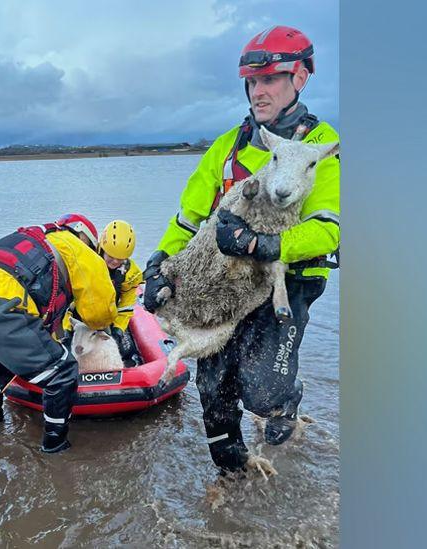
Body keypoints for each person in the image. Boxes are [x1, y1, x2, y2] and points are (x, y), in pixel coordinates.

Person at [142, 25, 340, 472]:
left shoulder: (321, 147)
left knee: (262, 391)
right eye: (252, 82)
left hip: (287, 283)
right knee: (212, 387)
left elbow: (329, 229)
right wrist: (160, 265)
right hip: (223, 285)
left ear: (300, 79)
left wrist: (262, 244)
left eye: (270, 79)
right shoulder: (227, 147)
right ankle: (230, 474)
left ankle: (285, 401)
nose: (258, 91)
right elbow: (188, 221)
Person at [0, 213, 116, 453]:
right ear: (86, 239)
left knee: (0, 363)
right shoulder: (81, 251)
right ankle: (55, 448)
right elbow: (100, 315)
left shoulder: (36, 239)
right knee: (62, 373)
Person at [98, 220, 143, 361]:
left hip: (111, 316)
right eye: (111, 257)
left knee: (127, 352)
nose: (115, 262)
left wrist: (117, 329)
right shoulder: (87, 263)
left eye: (120, 259)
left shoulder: (131, 273)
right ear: (103, 248)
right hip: (82, 317)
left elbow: (126, 304)